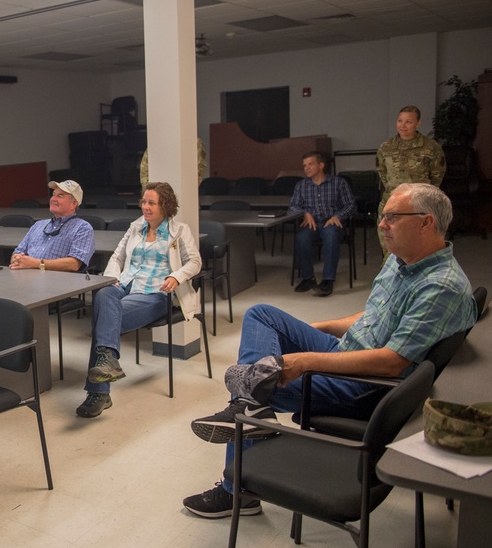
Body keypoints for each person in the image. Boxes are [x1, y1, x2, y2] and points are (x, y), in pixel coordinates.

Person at [182, 183, 476, 519]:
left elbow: (392, 363)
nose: (381, 225)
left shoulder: (439, 286)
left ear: (426, 223)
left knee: (253, 388)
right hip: (348, 351)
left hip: (363, 386)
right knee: (262, 314)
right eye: (383, 217)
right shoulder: (404, 261)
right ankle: (251, 404)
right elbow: (374, 316)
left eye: (392, 218)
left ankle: (239, 481)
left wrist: (305, 360)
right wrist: (317, 329)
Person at [77, 182, 202, 418]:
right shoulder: (136, 227)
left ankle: (99, 393)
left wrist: (176, 277)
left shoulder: (179, 231)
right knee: (103, 293)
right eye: (143, 201)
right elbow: (117, 256)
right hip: (125, 286)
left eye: (151, 203)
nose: (145, 207)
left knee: (104, 319)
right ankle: (105, 366)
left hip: (155, 294)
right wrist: (112, 278)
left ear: (165, 206)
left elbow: (194, 262)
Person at [376, 105, 445, 257]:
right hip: (391, 204)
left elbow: (437, 175)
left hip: (419, 206)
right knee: (390, 250)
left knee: (417, 248)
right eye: (400, 121)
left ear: (418, 123)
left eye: (408, 121)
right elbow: (382, 172)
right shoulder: (386, 147)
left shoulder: (431, 147)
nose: (403, 125)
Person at [289, 151, 356, 297]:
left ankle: (328, 280)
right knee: (302, 238)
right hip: (312, 223)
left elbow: (351, 205)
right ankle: (308, 278)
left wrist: (337, 216)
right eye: (304, 165)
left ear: (321, 165)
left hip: (332, 222)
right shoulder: (301, 185)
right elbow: (293, 206)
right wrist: (305, 213)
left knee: (330, 234)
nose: (306, 168)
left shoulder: (338, 182)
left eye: (310, 164)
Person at [9, 180, 94, 272]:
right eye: (53, 194)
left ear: (73, 204)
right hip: (27, 277)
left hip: (59, 281)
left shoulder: (82, 228)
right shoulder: (38, 225)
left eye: (60, 196)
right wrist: (17, 259)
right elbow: (17, 252)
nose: (53, 199)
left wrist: (36, 264)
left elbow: (74, 264)